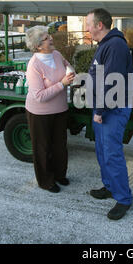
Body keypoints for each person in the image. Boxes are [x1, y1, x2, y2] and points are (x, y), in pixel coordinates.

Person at [86, 8, 133, 220]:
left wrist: (99, 110)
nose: (86, 28)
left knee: (112, 154)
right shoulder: (106, 44)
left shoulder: (115, 45)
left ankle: (123, 198)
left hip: (112, 109)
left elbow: (112, 82)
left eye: (88, 24)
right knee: (102, 151)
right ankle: (110, 187)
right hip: (104, 107)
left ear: (99, 25)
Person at [24, 26, 75, 193]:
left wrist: (71, 72)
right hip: (40, 113)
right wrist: (62, 84)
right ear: (38, 46)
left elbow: (67, 65)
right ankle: (46, 181)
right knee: (43, 148)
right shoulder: (34, 65)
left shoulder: (57, 54)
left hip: (60, 109)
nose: (50, 39)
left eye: (49, 36)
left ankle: (59, 175)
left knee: (60, 145)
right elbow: (39, 96)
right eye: (46, 38)